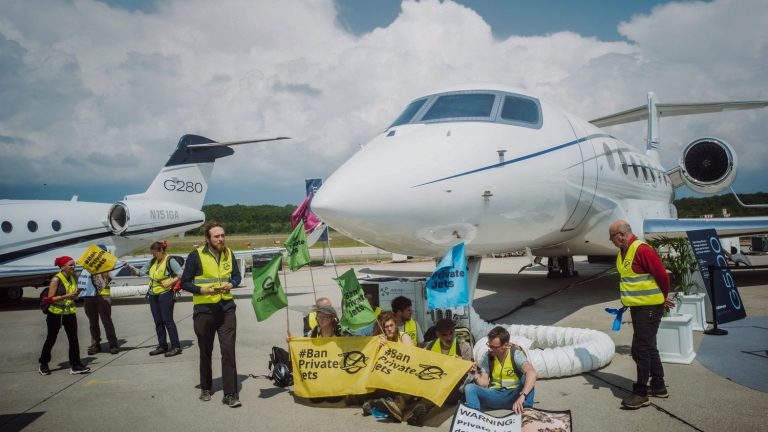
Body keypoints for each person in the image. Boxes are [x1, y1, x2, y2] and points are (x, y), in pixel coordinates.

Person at [609, 220, 675, 409]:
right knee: (649, 346)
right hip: (638, 308)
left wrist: (663, 297)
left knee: (640, 349)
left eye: (612, 237)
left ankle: (641, 393)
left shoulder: (642, 249)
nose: (611, 241)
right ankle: (658, 386)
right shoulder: (623, 252)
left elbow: (662, 275)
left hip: (650, 308)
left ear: (621, 235)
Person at [181, 221, 242, 408]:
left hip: (226, 309)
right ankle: (206, 387)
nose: (221, 239)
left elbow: (237, 276)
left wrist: (232, 284)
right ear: (207, 239)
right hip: (204, 311)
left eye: (223, 235)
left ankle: (231, 394)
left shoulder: (229, 253)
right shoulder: (195, 255)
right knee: (206, 351)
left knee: (228, 351)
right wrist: (201, 290)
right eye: (217, 236)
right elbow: (185, 282)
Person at [403, 318, 475, 426]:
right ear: (437, 334)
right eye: (444, 335)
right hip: (434, 382)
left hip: (455, 386)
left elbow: (470, 372)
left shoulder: (464, 347)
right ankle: (403, 406)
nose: (449, 337)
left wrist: (462, 363)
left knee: (436, 389)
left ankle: (422, 407)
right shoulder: (430, 346)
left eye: (451, 333)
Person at [463, 326, 536, 415]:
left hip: (515, 396)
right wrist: (473, 374)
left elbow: (532, 373)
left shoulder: (515, 355)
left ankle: (526, 411)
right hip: (494, 395)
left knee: (528, 377)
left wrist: (522, 396)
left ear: (505, 345)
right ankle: (472, 416)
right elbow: (484, 383)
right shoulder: (488, 356)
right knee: (470, 388)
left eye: (494, 347)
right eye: (489, 345)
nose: (490, 349)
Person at [38, 256, 90, 375]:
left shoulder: (73, 277)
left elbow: (73, 296)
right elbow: (50, 299)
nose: (73, 267)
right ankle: (43, 364)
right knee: (51, 338)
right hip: (55, 313)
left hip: (69, 312)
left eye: (74, 265)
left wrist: (77, 295)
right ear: (63, 267)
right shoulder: (56, 279)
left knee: (74, 339)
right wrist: (67, 296)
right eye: (70, 265)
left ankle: (75, 365)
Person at [130, 240, 183, 357]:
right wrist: (133, 269)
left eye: (154, 253)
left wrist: (170, 282)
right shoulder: (153, 261)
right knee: (158, 321)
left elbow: (181, 274)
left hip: (166, 294)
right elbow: (142, 273)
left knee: (167, 320)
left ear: (161, 251)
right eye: (152, 253)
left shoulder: (170, 260)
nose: (153, 255)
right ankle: (162, 345)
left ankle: (176, 346)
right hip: (153, 294)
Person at [78, 248, 120, 355]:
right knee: (93, 322)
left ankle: (113, 344)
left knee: (107, 321)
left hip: (103, 297)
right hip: (89, 297)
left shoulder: (107, 266)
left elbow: (109, 277)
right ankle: (95, 344)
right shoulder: (87, 265)